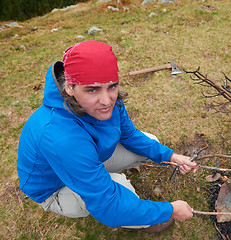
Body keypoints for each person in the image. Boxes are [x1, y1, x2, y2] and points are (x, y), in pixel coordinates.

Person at [17, 40, 197, 233]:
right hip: (54, 187)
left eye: (111, 86)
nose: (106, 100)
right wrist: (168, 210)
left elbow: (130, 136)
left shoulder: (110, 102)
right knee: (120, 190)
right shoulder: (59, 135)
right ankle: (145, 221)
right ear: (69, 88)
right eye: (92, 89)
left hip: (87, 157)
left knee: (150, 141)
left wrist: (170, 156)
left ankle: (113, 189)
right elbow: (108, 204)